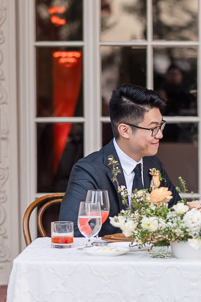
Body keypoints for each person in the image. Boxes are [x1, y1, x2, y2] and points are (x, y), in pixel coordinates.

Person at [60, 84, 180, 236]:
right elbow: (73, 231)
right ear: (125, 130)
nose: (160, 135)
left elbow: (177, 214)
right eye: (153, 128)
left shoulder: (153, 164)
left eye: (160, 126)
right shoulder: (89, 170)